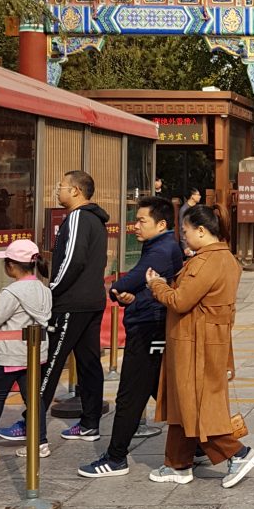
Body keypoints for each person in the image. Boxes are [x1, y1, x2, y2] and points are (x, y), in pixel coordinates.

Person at [144, 204, 254, 488]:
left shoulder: (206, 262)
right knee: (184, 403)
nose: (183, 236)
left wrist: (157, 285)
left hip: (195, 342)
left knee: (195, 405)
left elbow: (181, 301)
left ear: (200, 230)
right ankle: (177, 464)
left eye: (185, 231)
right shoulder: (225, 258)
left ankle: (238, 453)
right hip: (207, 339)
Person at [0, 170, 108, 452]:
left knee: (50, 363)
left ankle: (32, 425)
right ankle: (90, 424)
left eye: (61, 186)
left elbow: (72, 259)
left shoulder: (78, 218)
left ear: (75, 191)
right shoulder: (96, 220)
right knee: (88, 362)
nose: (57, 191)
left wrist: (52, 290)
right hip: (92, 300)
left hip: (71, 303)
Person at [78, 196, 184, 479]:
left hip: (150, 328)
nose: (135, 226)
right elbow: (136, 288)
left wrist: (121, 290)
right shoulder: (158, 246)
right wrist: (128, 296)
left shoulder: (161, 250)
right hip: (148, 324)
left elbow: (129, 281)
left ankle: (115, 458)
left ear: (161, 224)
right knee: (160, 394)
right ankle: (197, 448)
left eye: (141, 221)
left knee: (129, 396)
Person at [0, 240, 51, 471]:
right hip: (36, 353)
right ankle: (41, 442)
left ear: (11, 266)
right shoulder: (44, 289)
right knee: (34, 398)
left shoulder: (12, 292)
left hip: (11, 355)